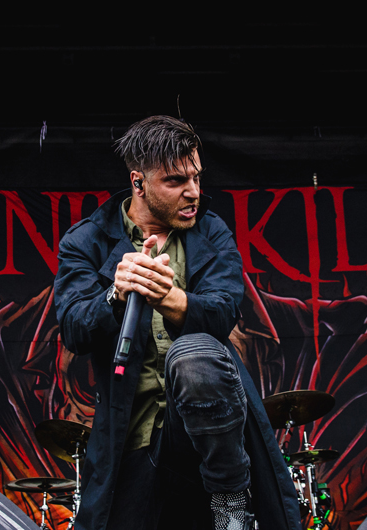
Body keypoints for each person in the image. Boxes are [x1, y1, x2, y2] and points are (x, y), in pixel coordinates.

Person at [54, 115, 302, 530]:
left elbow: (223, 313)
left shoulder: (211, 232)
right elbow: (74, 330)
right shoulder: (86, 241)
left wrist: (168, 296)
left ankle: (230, 501)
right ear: (138, 183)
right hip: (131, 435)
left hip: (208, 437)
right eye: (175, 181)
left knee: (194, 353)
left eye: (197, 177)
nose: (193, 192)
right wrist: (115, 294)